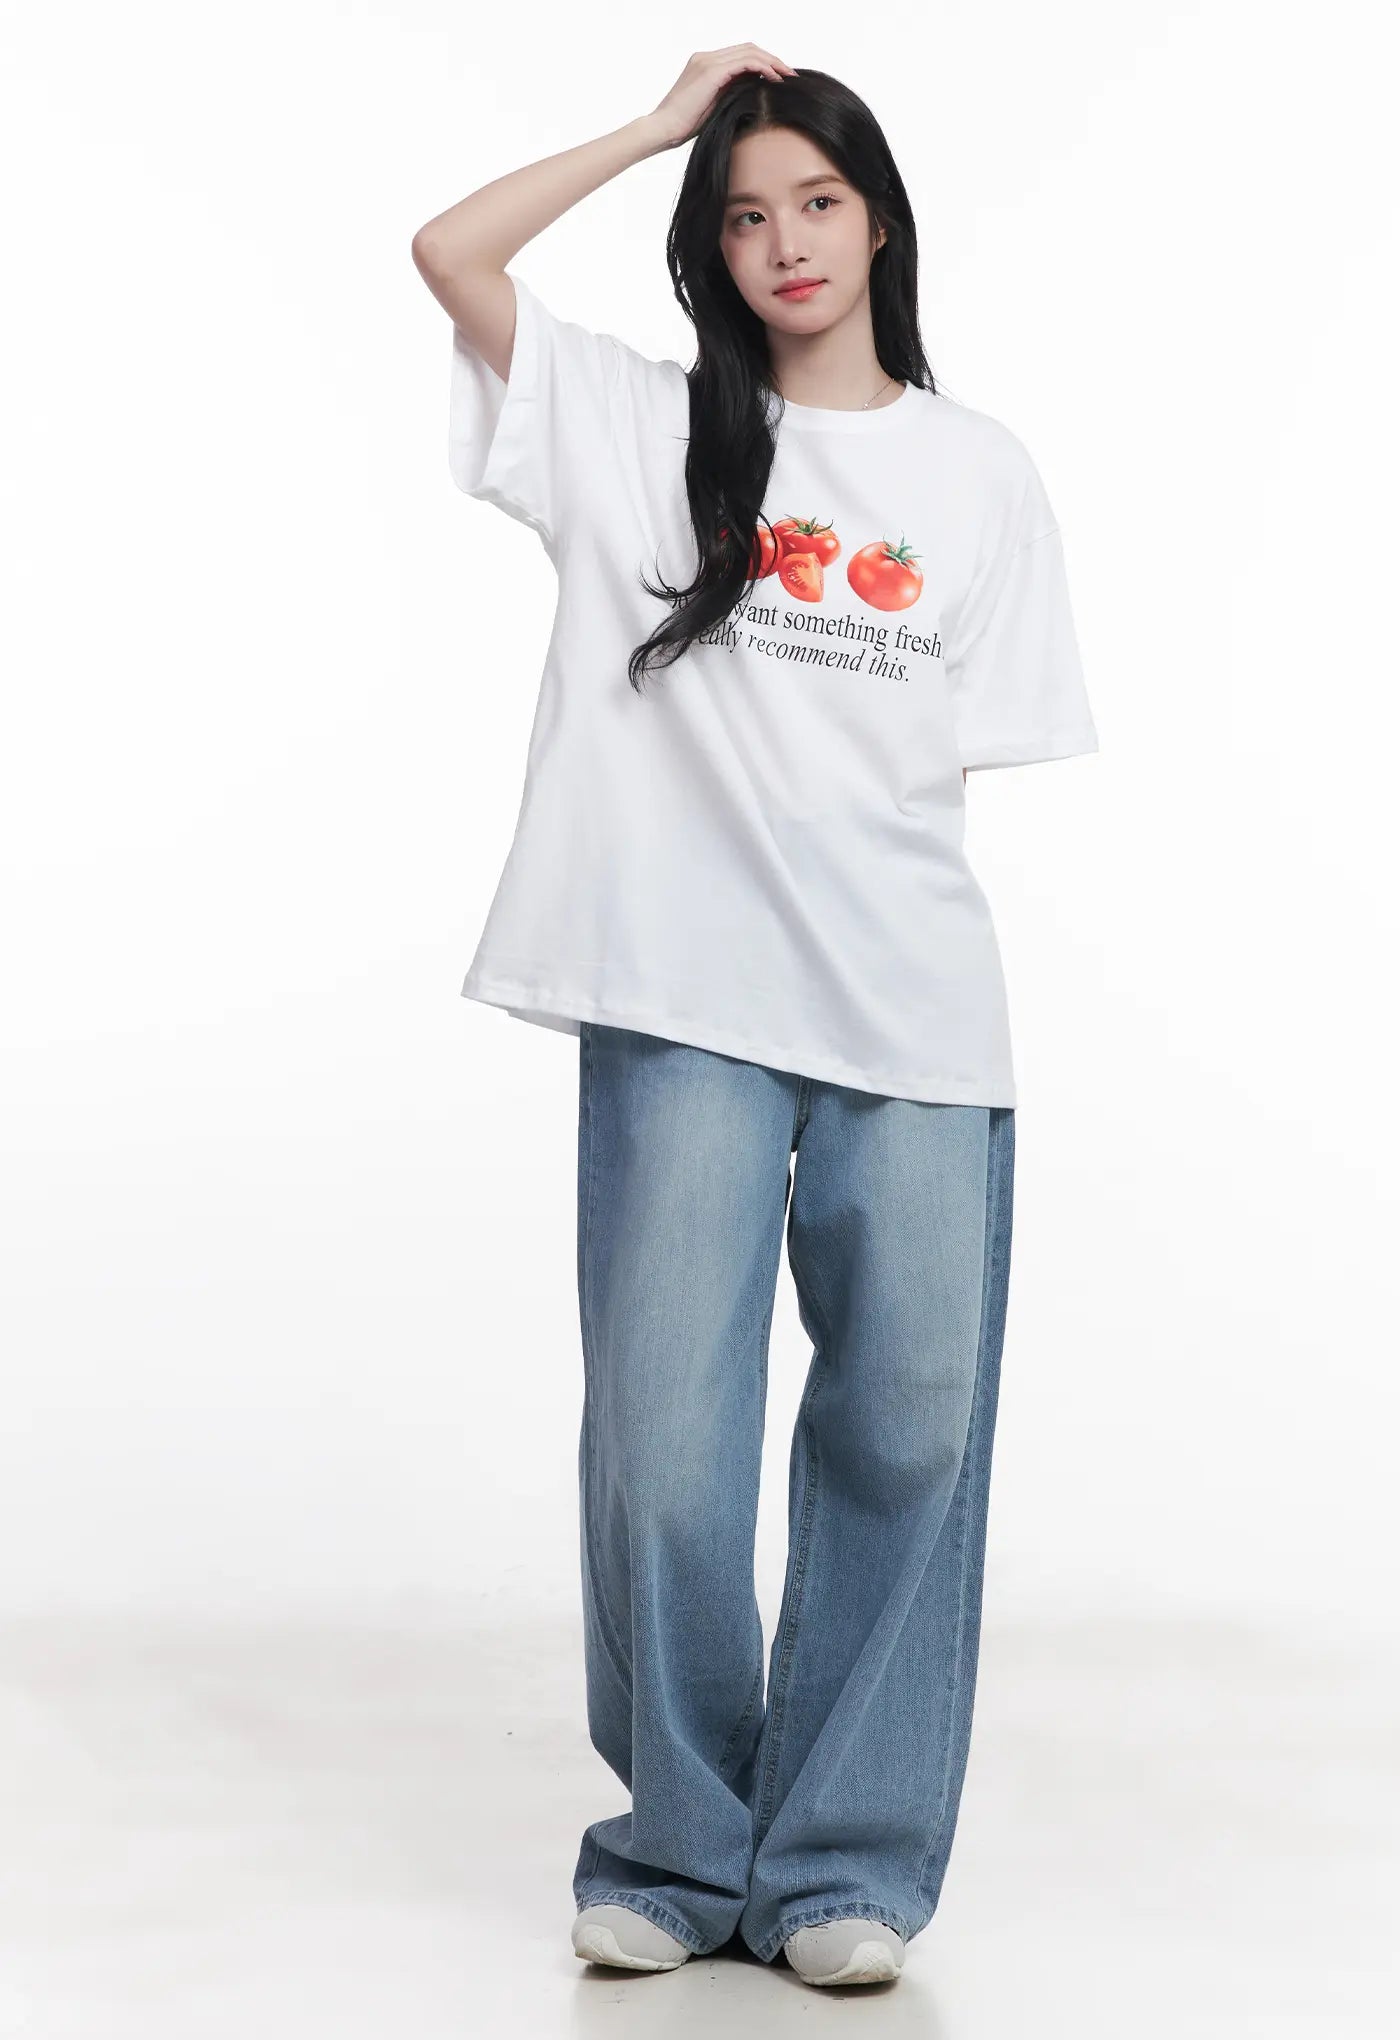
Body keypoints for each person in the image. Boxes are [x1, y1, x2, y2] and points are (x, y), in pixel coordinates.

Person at [412, 45, 1099, 1989]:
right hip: (682, 1002)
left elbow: (941, 765)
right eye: (741, 214)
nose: (784, 241)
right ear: (708, 250)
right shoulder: (631, 426)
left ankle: (844, 1863)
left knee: (913, 1422)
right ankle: (680, 1845)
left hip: (914, 1016)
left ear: (879, 222)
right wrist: (658, 124)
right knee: (665, 1444)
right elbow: (448, 252)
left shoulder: (979, 476)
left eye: (815, 201)